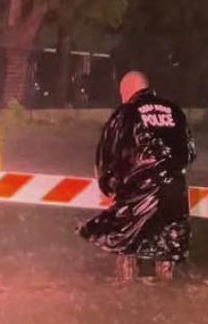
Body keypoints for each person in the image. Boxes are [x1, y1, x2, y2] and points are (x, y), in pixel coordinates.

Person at [77, 71, 196, 284]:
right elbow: (189, 153)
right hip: (174, 194)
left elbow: (107, 155)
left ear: (126, 91)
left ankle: (127, 297)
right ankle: (165, 302)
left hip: (138, 194)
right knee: (166, 247)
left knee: (126, 243)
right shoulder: (175, 111)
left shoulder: (126, 112)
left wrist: (108, 190)